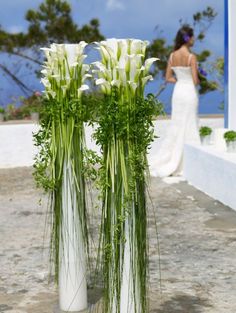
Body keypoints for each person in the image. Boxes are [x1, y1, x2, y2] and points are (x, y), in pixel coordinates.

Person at [150, 24, 201, 177]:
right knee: (190, 122)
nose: (194, 39)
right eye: (193, 36)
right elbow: (195, 80)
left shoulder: (172, 56)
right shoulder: (192, 57)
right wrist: (198, 77)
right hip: (189, 92)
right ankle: (189, 161)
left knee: (177, 123)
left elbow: (167, 78)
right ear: (189, 38)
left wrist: (179, 80)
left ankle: (173, 157)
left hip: (178, 91)